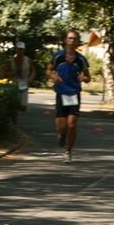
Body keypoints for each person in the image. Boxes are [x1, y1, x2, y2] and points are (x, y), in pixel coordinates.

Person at [47, 29, 91, 164]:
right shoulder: (57, 56)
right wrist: (53, 76)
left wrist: (84, 78)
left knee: (72, 125)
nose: (72, 41)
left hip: (74, 94)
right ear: (66, 40)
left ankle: (68, 152)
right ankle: (62, 135)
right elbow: (48, 70)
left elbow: (88, 77)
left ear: (78, 42)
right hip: (61, 93)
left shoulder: (81, 59)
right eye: (70, 38)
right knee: (61, 127)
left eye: (75, 39)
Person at [8, 41, 36, 111]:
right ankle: (14, 114)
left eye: (21, 49)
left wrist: (31, 78)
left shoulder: (28, 60)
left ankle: (17, 108)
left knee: (23, 107)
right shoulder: (11, 60)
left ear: (24, 50)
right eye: (18, 49)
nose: (20, 51)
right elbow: (6, 71)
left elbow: (33, 70)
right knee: (14, 103)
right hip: (15, 82)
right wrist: (9, 75)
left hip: (24, 82)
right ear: (16, 50)